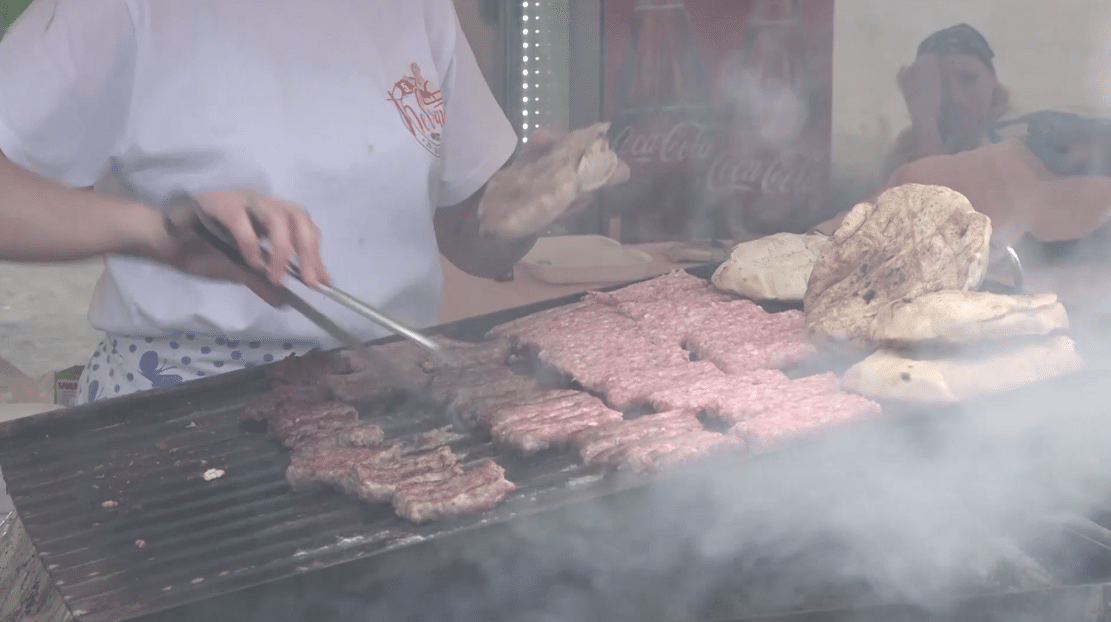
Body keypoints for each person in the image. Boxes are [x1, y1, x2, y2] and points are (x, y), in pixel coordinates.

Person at [0, 0, 625, 405]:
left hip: (393, 389)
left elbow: (473, 239)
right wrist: (156, 231)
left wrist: (540, 199)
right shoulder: (124, 10)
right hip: (183, 399)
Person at [883, 23, 1010, 179]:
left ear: (992, 78)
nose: (955, 95)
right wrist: (925, 123)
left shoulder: (1019, 137)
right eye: (941, 84)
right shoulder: (907, 146)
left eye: (968, 79)